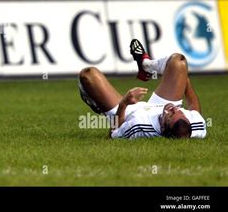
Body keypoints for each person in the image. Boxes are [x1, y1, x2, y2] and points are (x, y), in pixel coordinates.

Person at [78, 39, 207, 139]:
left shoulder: (140, 126)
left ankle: (94, 102)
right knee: (179, 61)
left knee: (88, 75)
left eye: (171, 114)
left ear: (162, 127)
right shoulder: (196, 126)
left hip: (128, 112)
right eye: (180, 112)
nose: (174, 108)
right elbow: (194, 108)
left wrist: (124, 103)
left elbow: (113, 134)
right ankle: (146, 66)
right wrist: (185, 81)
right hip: (160, 105)